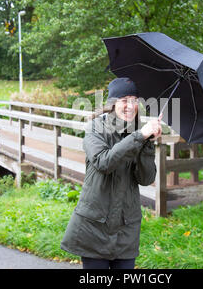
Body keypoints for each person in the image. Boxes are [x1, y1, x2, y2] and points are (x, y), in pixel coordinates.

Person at [60, 77, 163, 269]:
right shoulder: (95, 128)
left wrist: (148, 145)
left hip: (126, 230)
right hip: (94, 227)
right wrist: (139, 136)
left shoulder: (139, 136)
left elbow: (146, 178)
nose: (130, 106)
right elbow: (104, 162)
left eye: (134, 100)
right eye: (125, 100)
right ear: (113, 103)